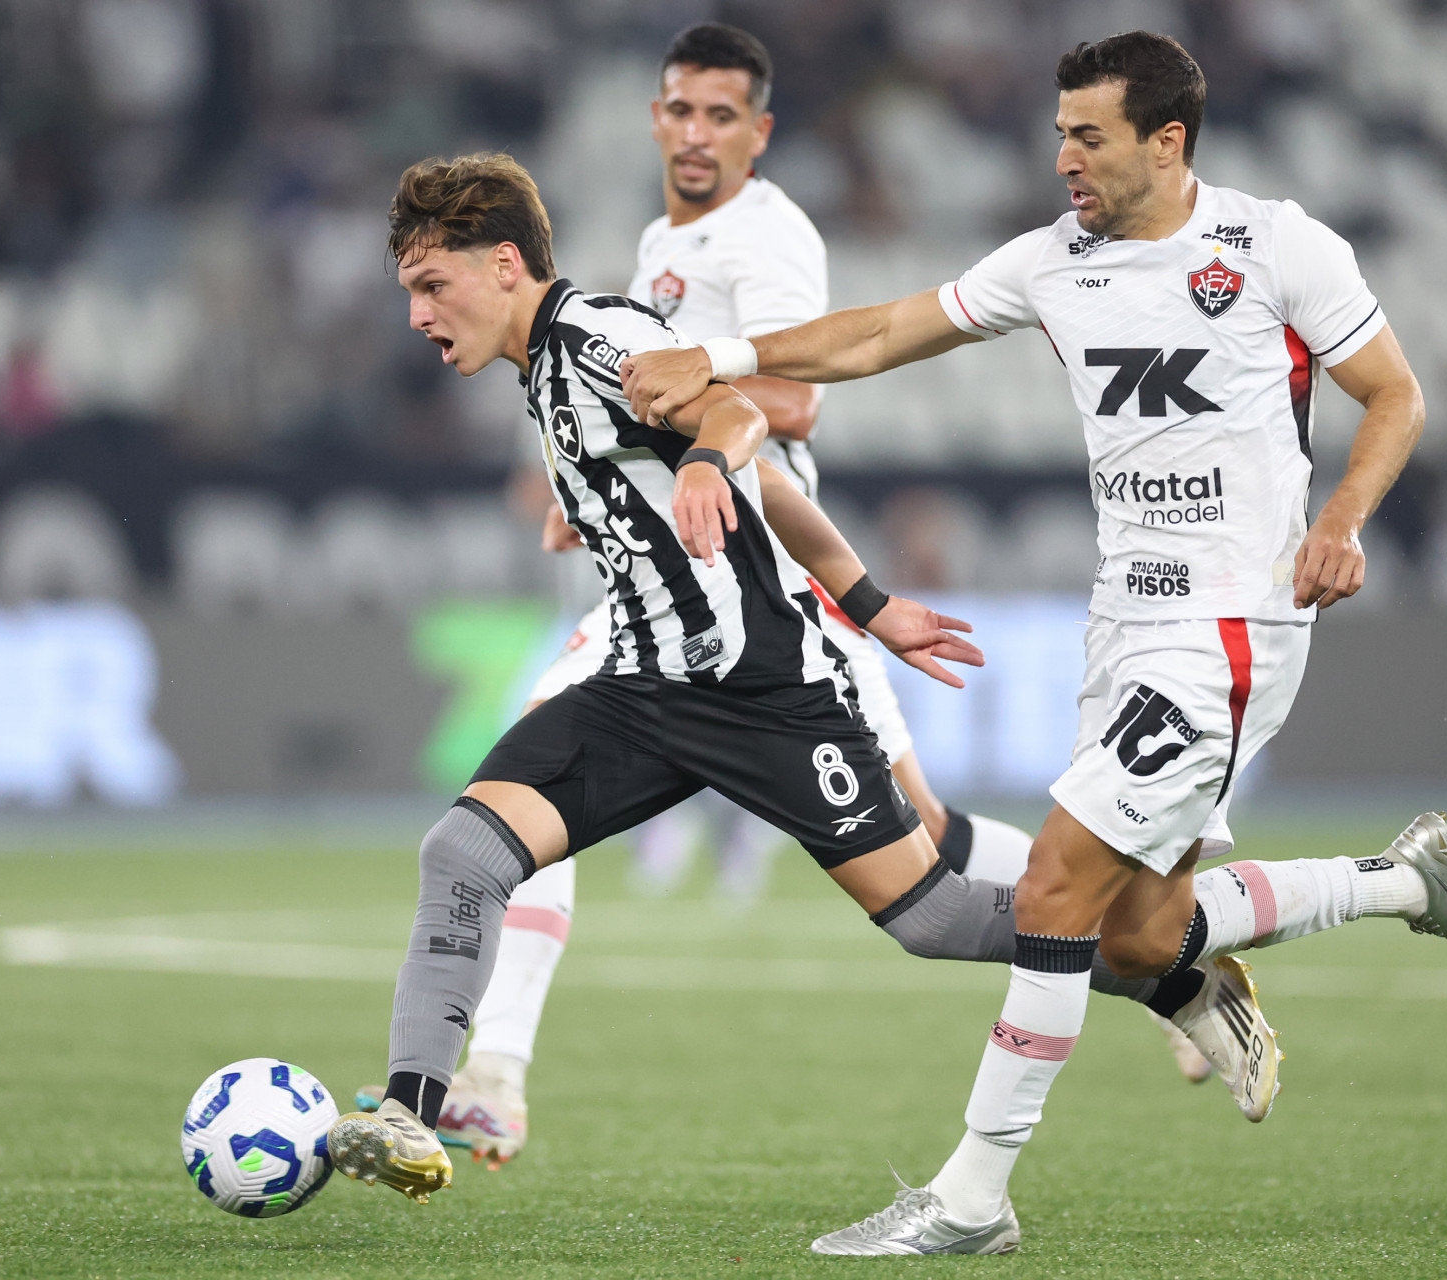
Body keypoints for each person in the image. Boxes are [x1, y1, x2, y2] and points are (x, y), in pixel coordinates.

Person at [621, 31, 1447, 1255]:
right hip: (1122, 622)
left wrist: (1343, 521)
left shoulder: (1275, 245)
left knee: (1054, 885)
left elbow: (1395, 393)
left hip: (1230, 625)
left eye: (1088, 135)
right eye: (1059, 133)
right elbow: (880, 334)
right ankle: (1411, 881)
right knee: (1144, 934)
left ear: (1167, 141)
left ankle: (972, 1196)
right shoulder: (1054, 261)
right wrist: (720, 356)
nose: (1064, 158)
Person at [327, 148, 1282, 1206]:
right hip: (641, 689)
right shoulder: (538, 373)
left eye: (430, 284)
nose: (417, 314)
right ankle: (411, 1114)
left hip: (761, 693)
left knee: (930, 914)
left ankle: (1173, 973)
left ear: (503, 262)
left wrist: (706, 465)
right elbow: (774, 489)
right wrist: (871, 600)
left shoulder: (602, 338)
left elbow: (745, 420)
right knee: (464, 850)